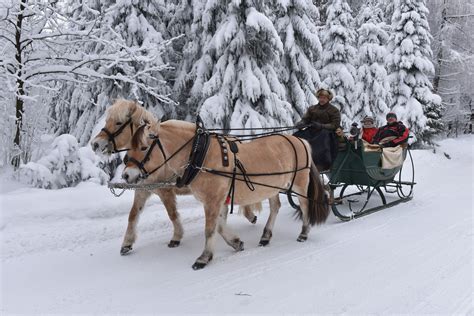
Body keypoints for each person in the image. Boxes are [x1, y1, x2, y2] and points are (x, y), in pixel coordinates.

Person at [294, 88, 341, 171]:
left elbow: (335, 124)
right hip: (313, 130)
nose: (322, 99)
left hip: (328, 133)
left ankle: (320, 162)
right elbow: (306, 119)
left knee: (321, 138)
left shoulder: (334, 110)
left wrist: (322, 126)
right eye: (320, 97)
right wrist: (301, 124)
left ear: (328, 99)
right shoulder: (312, 108)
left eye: (324, 98)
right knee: (297, 135)